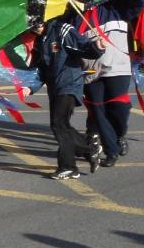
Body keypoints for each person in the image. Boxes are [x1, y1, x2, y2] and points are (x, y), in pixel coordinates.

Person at [22, 18, 105, 180]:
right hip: (55, 88)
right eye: (31, 25)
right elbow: (41, 70)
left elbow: (83, 46)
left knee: (59, 123)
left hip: (69, 84)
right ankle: (89, 149)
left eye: (37, 23)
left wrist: (96, 47)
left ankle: (68, 167)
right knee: (61, 125)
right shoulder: (39, 40)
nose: (35, 28)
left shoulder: (62, 29)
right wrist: (30, 87)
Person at [76, 0, 144, 167]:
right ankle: (111, 150)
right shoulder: (76, 15)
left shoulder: (115, 7)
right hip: (91, 73)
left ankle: (119, 135)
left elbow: (139, 4)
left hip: (118, 68)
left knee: (119, 109)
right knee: (98, 113)